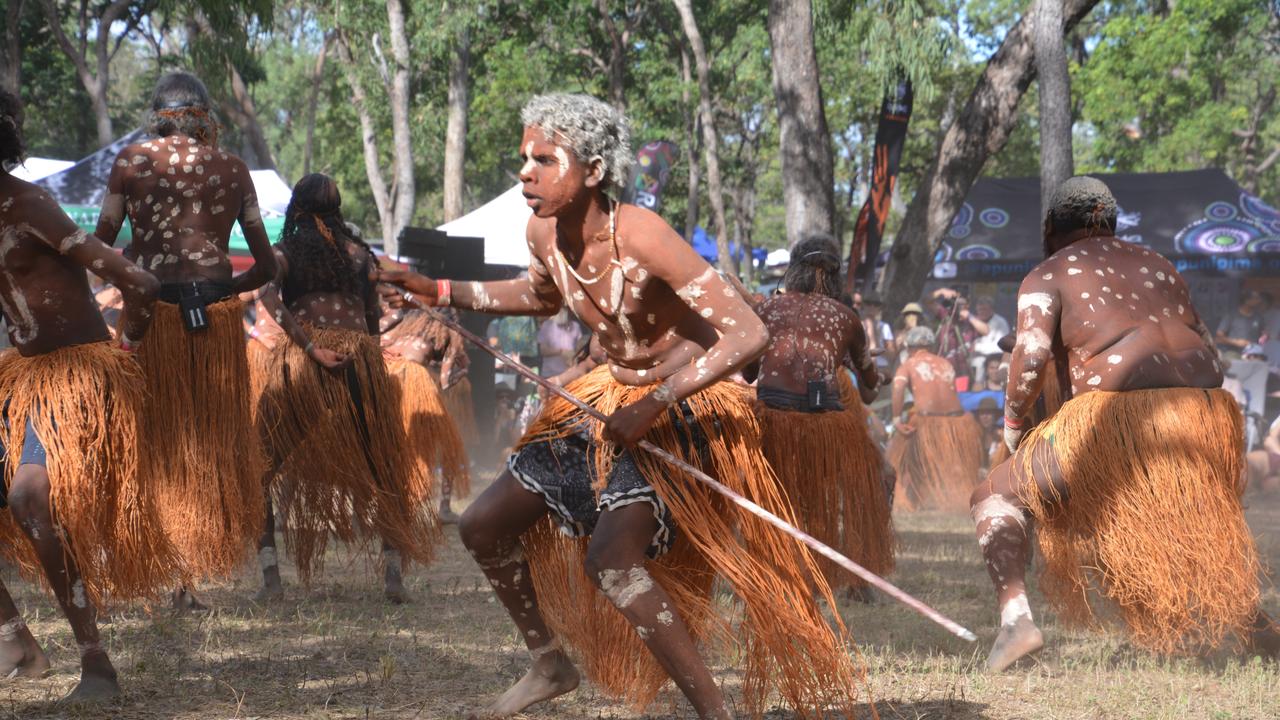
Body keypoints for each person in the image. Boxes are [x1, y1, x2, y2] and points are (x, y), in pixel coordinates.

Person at [377, 93, 861, 719]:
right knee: (482, 525)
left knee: (610, 559)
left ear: (595, 170)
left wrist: (656, 399)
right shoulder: (541, 230)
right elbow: (538, 295)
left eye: (546, 159)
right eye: (524, 158)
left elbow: (748, 332)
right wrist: (436, 287)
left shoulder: (642, 233)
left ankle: (716, 712)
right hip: (607, 400)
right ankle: (550, 664)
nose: (526, 172)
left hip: (684, 409)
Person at [969, 176, 1280, 672]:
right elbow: (1205, 346)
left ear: (1050, 228)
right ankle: (1250, 619)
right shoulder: (1159, 266)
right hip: (1205, 413)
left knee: (994, 495)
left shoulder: (1048, 274)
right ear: (1112, 223)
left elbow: (1028, 358)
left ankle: (1016, 623)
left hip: (1119, 417)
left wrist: (1011, 432)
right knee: (1183, 516)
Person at [0, 89, 176, 700]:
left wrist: (120, 358)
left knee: (29, 497)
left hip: (77, 374)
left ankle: (95, 661)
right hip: (20, 377)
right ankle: (16, 641)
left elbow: (139, 281)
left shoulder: (31, 205)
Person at [95, 72, 277, 605]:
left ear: (157, 115)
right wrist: (225, 292)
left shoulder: (132, 163)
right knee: (208, 437)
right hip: (215, 322)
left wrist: (130, 288)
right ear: (206, 117)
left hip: (151, 316)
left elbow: (101, 244)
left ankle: (166, 566)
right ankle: (188, 574)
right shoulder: (233, 167)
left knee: (156, 435)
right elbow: (265, 264)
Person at [250, 173, 440, 603]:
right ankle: (394, 577)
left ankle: (271, 582)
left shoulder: (284, 254)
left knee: (258, 467)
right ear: (337, 212)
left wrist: (310, 347)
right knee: (385, 466)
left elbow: (267, 297)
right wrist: (371, 370)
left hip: (304, 361)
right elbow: (371, 319)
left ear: (296, 208)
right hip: (359, 361)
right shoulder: (359, 255)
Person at [744, 235, 893, 595]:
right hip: (827, 426)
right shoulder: (847, 318)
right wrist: (876, 377)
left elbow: (749, 374)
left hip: (770, 420)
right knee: (881, 478)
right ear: (837, 276)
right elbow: (871, 388)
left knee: (778, 500)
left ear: (792, 271)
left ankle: (770, 573)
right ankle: (859, 578)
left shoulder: (766, 310)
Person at [381, 307, 471, 524]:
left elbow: (378, 342)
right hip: (412, 381)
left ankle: (374, 509)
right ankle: (439, 508)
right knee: (449, 447)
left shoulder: (401, 329)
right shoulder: (449, 333)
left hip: (382, 377)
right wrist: (464, 371)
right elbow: (446, 381)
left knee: (387, 448)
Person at [886, 325, 983, 511]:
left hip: (927, 423)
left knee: (902, 457)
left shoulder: (909, 364)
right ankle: (935, 499)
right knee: (953, 467)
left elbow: (897, 388)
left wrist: (897, 419)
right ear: (931, 345)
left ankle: (916, 499)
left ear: (910, 348)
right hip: (958, 423)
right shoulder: (946, 363)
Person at [969, 296, 1010, 381]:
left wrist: (977, 347)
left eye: (984, 309)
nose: (981, 312)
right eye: (979, 310)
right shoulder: (974, 321)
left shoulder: (1000, 322)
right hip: (971, 364)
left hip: (994, 362)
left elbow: (1002, 347)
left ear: (991, 309)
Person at [1216, 290, 1265, 360]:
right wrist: (1236, 342)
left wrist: (1264, 336)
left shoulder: (1258, 317)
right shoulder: (1231, 316)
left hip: (1252, 354)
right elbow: (1219, 335)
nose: (1259, 301)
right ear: (1247, 300)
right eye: (1256, 298)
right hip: (1233, 352)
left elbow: (1262, 334)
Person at [537, 307, 583, 377]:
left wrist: (573, 357)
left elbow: (580, 349)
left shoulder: (575, 326)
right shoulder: (547, 325)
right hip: (550, 374)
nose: (560, 312)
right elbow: (543, 350)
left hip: (570, 375)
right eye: (558, 309)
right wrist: (562, 352)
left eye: (563, 309)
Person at [861, 291, 895, 371]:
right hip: (860, 365)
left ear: (880, 308)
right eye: (868, 303)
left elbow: (892, 354)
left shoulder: (884, 327)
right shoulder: (857, 324)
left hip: (881, 367)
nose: (872, 307)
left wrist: (877, 341)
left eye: (876, 304)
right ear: (863, 305)